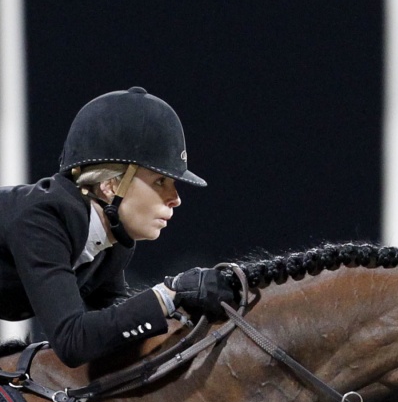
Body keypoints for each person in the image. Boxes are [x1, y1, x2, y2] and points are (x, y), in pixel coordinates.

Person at [0, 86, 235, 368]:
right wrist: (169, 293)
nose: (176, 199)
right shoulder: (43, 219)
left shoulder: (114, 244)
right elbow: (73, 341)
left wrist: (184, 307)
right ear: (110, 186)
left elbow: (112, 326)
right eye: (160, 181)